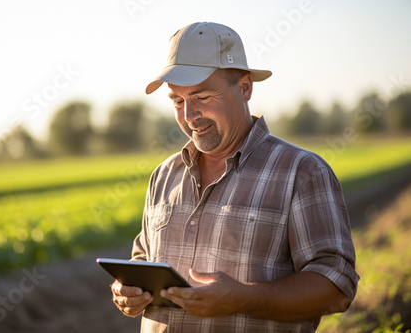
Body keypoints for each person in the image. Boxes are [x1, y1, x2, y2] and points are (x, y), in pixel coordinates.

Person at [110, 22, 359, 332]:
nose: (189, 116)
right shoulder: (164, 175)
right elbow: (143, 257)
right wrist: (128, 291)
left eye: (201, 97)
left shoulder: (302, 172)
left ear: (244, 88)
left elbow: (337, 287)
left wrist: (246, 299)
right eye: (177, 101)